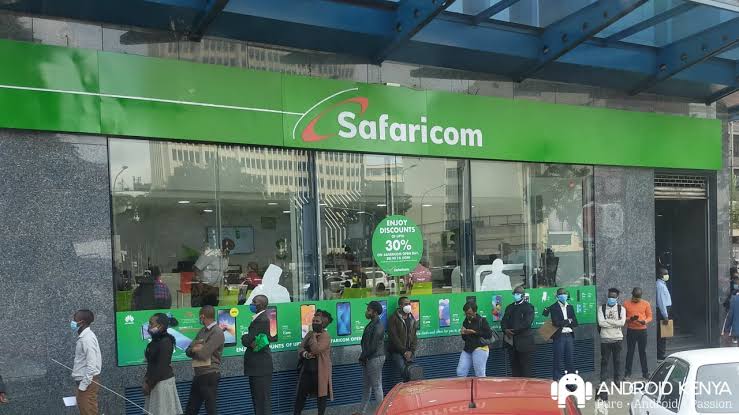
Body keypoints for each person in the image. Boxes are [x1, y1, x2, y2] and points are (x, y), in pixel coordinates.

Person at [185, 306, 225, 415]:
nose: (199, 319)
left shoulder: (217, 332)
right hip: (198, 375)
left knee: (210, 409)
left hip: (210, 374)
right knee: (191, 408)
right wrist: (194, 349)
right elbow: (188, 350)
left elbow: (204, 354)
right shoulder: (202, 331)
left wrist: (196, 349)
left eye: (200, 317)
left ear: (203, 316)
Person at [294, 309, 334, 415]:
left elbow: (316, 349)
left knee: (321, 397)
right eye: (313, 321)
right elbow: (300, 347)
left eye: (317, 321)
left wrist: (313, 338)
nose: (314, 323)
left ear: (323, 323)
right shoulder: (310, 333)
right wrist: (305, 354)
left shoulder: (326, 336)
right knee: (300, 396)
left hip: (320, 372)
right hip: (307, 370)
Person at [144, 313, 183, 415]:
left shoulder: (166, 342)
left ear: (160, 326)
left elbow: (161, 367)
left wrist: (149, 384)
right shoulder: (154, 341)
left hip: (162, 383)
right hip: (154, 382)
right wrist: (146, 379)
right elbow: (151, 364)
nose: (149, 326)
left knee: (163, 411)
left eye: (151, 324)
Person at [242, 295, 273, 415]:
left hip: (260, 368)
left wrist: (244, 337)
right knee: (258, 401)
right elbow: (250, 341)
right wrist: (249, 340)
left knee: (262, 402)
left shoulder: (261, 320)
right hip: (258, 367)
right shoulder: (259, 318)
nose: (252, 304)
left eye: (254, 302)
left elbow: (247, 340)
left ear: (261, 305)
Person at [355, 301, 386, 415]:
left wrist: (363, 357)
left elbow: (373, 346)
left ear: (375, 312)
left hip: (375, 358)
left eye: (369, 310)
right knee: (367, 386)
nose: (366, 312)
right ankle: (361, 411)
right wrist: (364, 357)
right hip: (370, 358)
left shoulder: (378, 325)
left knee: (377, 386)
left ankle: (381, 412)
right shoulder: (372, 323)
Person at [71, 309, 102, 415]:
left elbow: (91, 365)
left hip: (87, 382)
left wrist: (83, 386)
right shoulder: (84, 337)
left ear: (82, 322)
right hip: (86, 382)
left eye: (75, 320)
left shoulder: (87, 339)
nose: (73, 322)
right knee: (87, 410)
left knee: (88, 411)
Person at [501, 286, 535, 377]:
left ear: (523, 295)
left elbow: (527, 323)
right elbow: (504, 321)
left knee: (525, 367)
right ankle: (516, 388)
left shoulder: (528, 307)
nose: (516, 296)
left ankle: (527, 389)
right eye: (515, 294)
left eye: (518, 294)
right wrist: (505, 330)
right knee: (514, 367)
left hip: (524, 342)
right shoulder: (509, 307)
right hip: (511, 342)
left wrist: (514, 330)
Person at [597, 288, 626, 388]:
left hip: (617, 339)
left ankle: (617, 380)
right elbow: (601, 323)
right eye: (609, 296)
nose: (611, 298)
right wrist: (615, 323)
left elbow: (622, 323)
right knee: (604, 361)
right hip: (605, 338)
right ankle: (602, 380)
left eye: (613, 297)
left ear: (617, 297)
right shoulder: (602, 308)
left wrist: (608, 322)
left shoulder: (621, 309)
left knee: (617, 360)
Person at [193, 238, 235, 307]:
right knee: (201, 309)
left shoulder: (226, 258)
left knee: (213, 309)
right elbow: (196, 268)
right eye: (227, 248)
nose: (228, 251)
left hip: (215, 290)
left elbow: (224, 272)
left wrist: (226, 283)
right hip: (204, 288)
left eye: (230, 249)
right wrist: (200, 285)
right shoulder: (210, 254)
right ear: (221, 246)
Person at [456, 301, 493, 378]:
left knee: (479, 373)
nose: (467, 315)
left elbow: (488, 334)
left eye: (469, 313)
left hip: (480, 348)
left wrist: (474, 332)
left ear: (475, 312)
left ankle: (482, 389)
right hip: (468, 349)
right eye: (466, 313)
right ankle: (463, 389)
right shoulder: (465, 321)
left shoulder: (482, 321)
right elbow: (465, 338)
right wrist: (463, 333)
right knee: (460, 371)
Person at [548, 288, 578, 381]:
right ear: (557, 297)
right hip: (559, 336)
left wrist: (566, 322)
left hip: (569, 335)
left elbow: (575, 322)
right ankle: (557, 379)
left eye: (565, 294)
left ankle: (571, 380)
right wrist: (568, 321)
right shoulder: (553, 307)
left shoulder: (570, 307)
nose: (563, 296)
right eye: (561, 294)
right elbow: (556, 323)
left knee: (570, 358)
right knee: (558, 359)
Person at [622, 287, 652, 379]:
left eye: (638, 298)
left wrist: (645, 321)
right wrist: (630, 319)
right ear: (632, 295)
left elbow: (650, 316)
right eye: (635, 298)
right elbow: (623, 318)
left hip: (642, 330)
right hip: (631, 330)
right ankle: (627, 373)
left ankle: (645, 373)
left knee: (642, 352)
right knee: (630, 352)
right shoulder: (626, 303)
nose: (636, 300)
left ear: (641, 297)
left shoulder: (646, 303)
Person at [388, 297, 418, 381]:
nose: (408, 306)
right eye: (406, 304)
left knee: (413, 374)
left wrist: (411, 351)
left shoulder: (412, 318)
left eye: (409, 304)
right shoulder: (393, 318)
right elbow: (394, 337)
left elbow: (414, 336)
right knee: (405, 374)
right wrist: (404, 351)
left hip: (410, 352)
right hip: (398, 352)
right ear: (400, 305)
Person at [656, 268, 672, 361]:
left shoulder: (662, 284)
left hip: (665, 310)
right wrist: (665, 315)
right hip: (663, 312)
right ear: (660, 275)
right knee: (662, 334)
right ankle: (660, 354)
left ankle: (661, 353)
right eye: (665, 274)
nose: (667, 275)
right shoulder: (660, 286)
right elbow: (661, 301)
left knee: (664, 334)